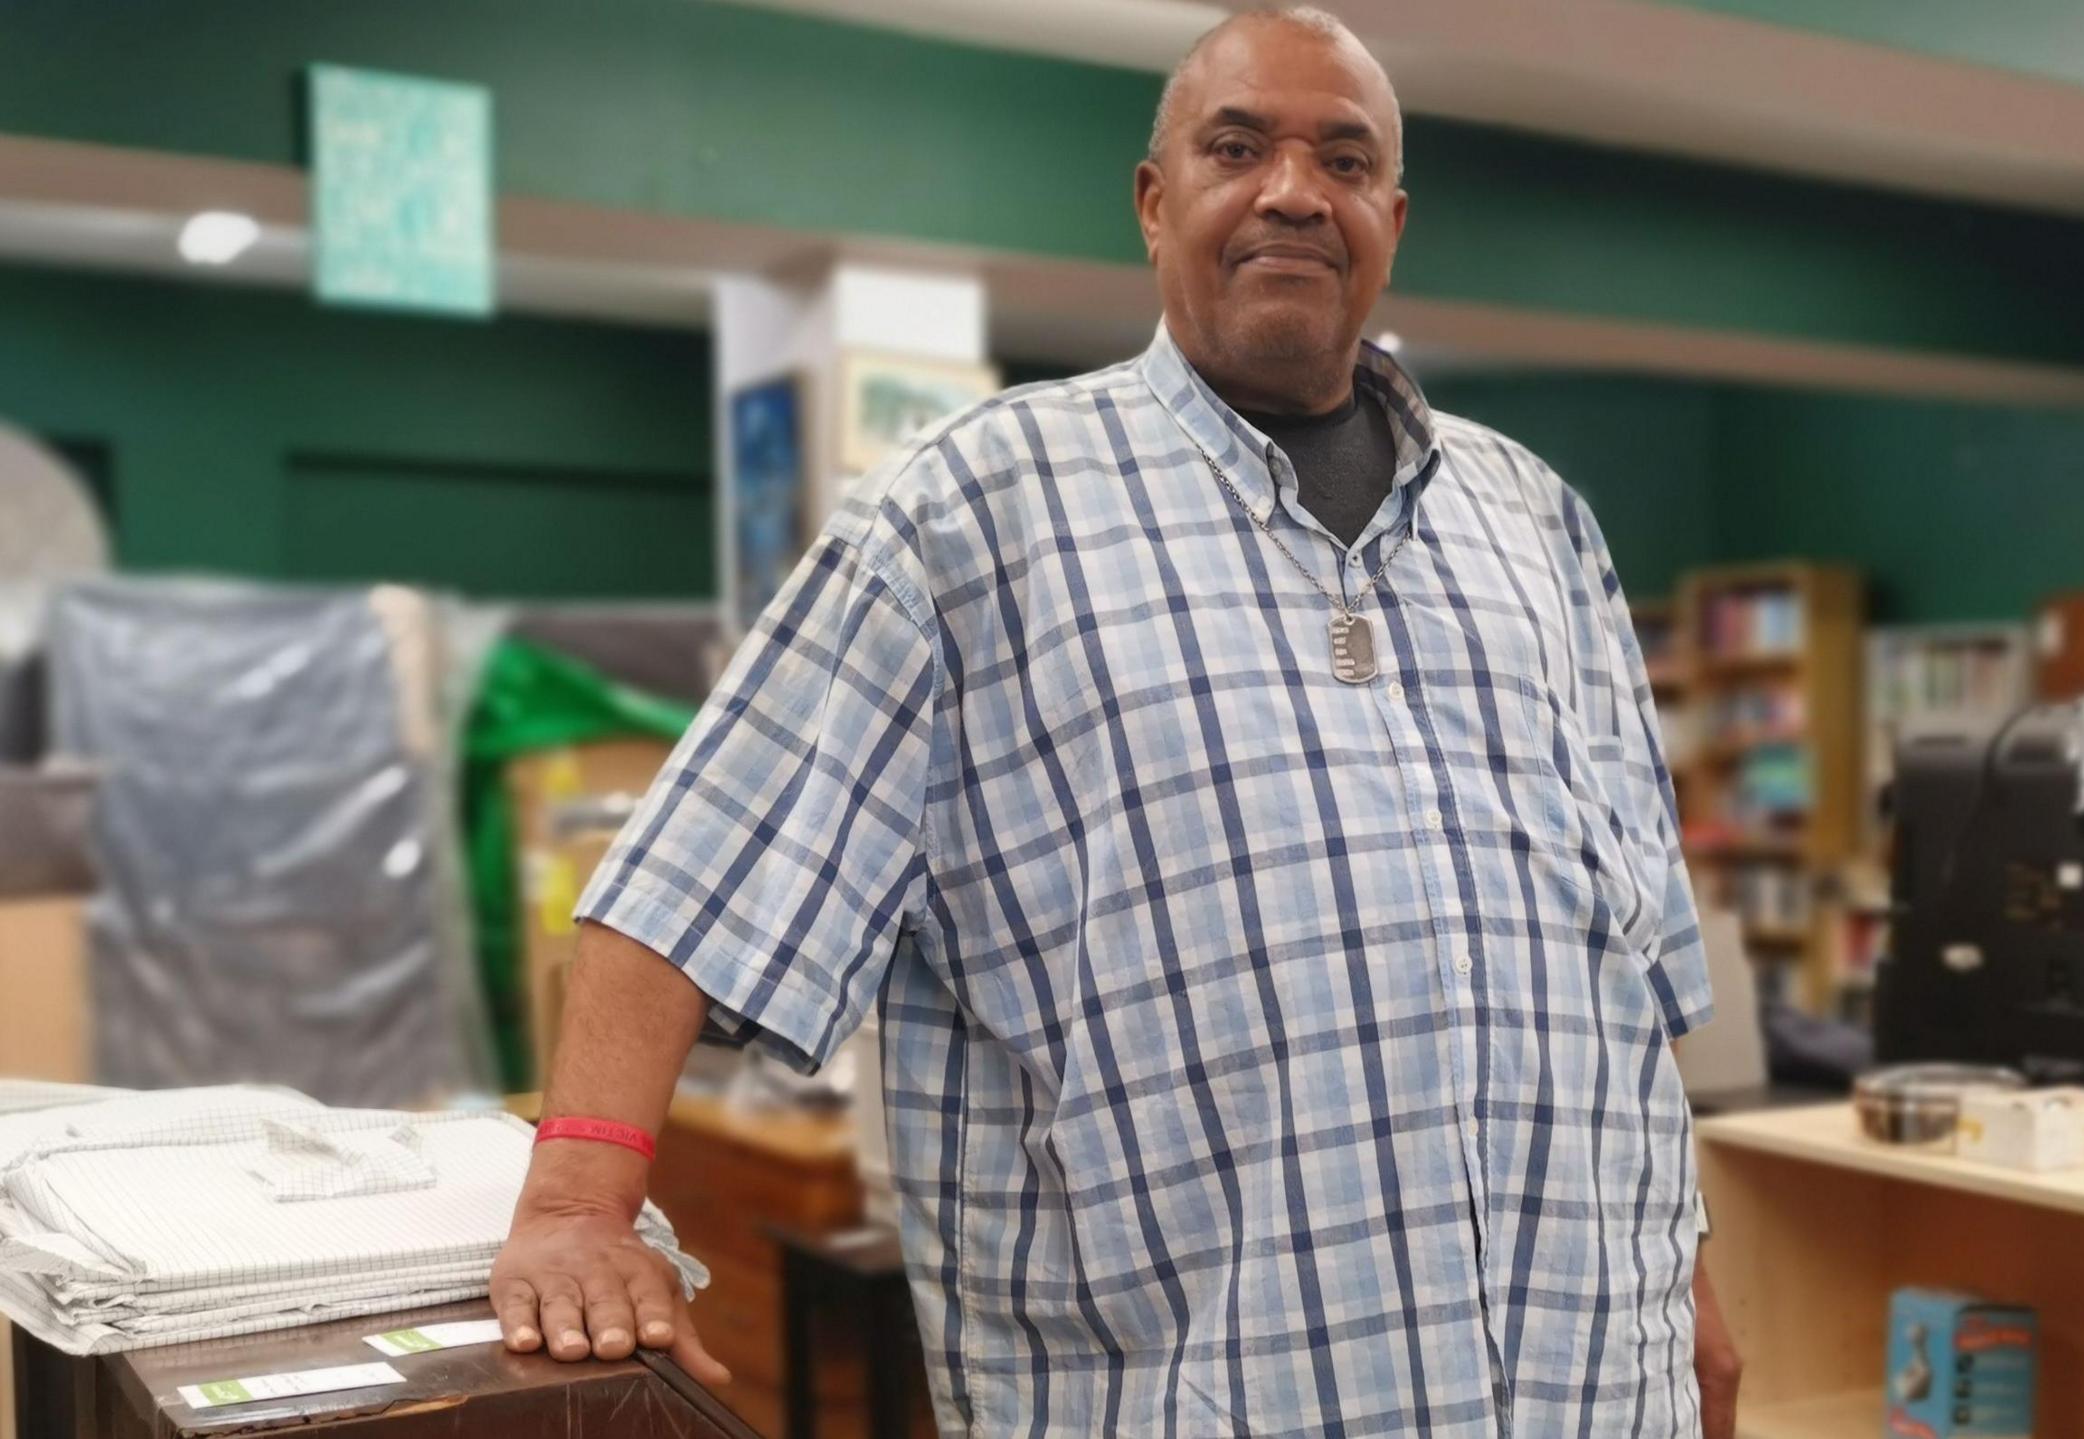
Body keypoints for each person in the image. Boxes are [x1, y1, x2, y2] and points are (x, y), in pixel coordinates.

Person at [490, 7, 1744, 1434]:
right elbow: (684, 888)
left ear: (1391, 217)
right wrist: (580, 1202)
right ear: (1156, 205)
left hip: (1594, 1391)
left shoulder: (1537, 522)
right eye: (1237, 147)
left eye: (1343, 159)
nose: (1292, 189)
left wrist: (1684, 1278)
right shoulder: (974, 512)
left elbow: (1628, 960)